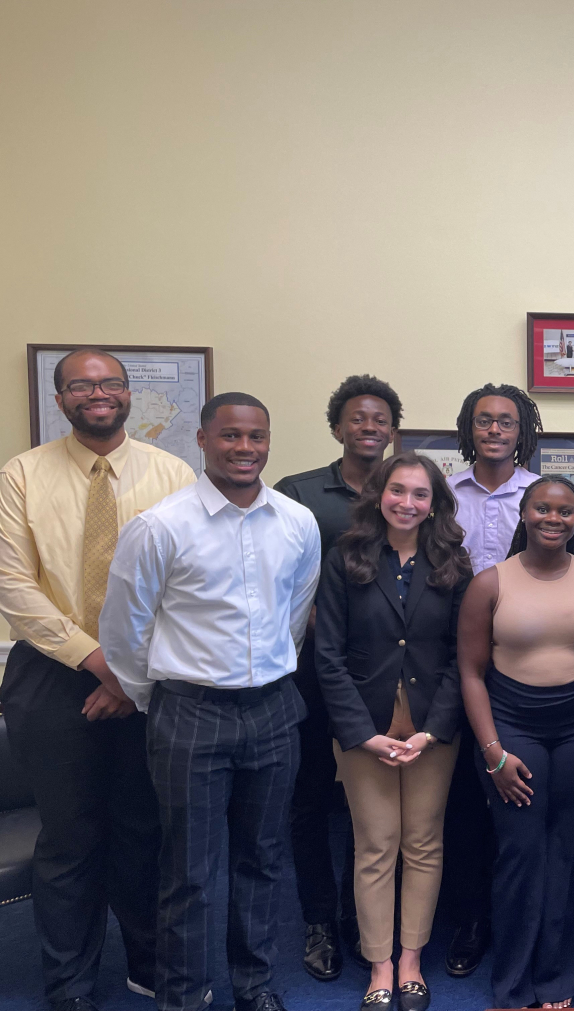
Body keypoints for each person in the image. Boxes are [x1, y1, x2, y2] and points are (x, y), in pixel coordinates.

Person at [101, 392, 321, 1011]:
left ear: (269, 441)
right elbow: (124, 634)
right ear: (201, 441)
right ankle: (183, 995)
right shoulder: (160, 526)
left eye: (256, 436)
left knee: (262, 858)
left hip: (275, 712)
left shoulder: (296, 523)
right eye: (230, 437)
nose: (244, 449)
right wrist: (164, 699)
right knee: (190, 871)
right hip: (189, 716)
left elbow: (295, 615)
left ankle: (253, 986)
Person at [0, 349, 195, 1011]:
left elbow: (185, 581)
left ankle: (147, 961)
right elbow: (14, 588)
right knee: (69, 835)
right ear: (60, 399)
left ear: (127, 394)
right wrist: (96, 659)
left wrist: (127, 673)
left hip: (146, 673)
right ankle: (71, 983)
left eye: (110, 381)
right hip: (52, 674)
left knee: (146, 828)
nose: (98, 392)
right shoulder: (21, 475)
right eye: (81, 384)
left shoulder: (172, 472)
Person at [458, 476, 574, 1008]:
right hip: (512, 724)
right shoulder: (490, 583)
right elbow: (469, 673)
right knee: (521, 848)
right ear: (524, 514)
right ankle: (513, 980)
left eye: (565, 511)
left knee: (568, 846)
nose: (553, 518)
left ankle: (555, 975)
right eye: (542, 509)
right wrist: (493, 753)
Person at [314, 452, 472, 1011]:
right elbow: (327, 656)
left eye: (421, 494)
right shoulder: (346, 556)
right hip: (365, 727)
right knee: (376, 844)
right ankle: (379, 963)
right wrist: (361, 733)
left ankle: (411, 960)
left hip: (432, 727)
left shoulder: (453, 561)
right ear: (379, 494)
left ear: (436, 503)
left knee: (424, 843)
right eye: (398, 491)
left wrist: (434, 730)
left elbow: (462, 656)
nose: (408, 503)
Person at [274, 373, 403, 981]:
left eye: (380, 420)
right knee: (307, 800)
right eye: (358, 418)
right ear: (337, 427)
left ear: (393, 431)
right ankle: (318, 920)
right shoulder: (297, 494)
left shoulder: (405, 494)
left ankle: (362, 915)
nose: (370, 427)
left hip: (375, 674)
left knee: (367, 800)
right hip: (305, 673)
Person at [440, 382, 544, 977]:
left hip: (525, 659)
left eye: (507, 422)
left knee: (517, 792)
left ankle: (522, 922)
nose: (496, 430)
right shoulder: (445, 495)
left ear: (522, 431)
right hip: (450, 656)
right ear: (469, 428)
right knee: (463, 802)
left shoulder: (544, 496)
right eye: (484, 421)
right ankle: (470, 919)